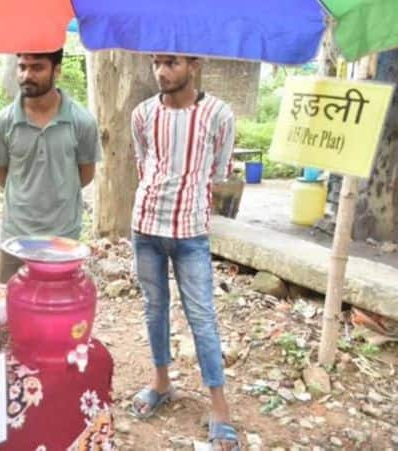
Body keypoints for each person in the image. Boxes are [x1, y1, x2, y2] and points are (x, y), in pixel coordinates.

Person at [128, 54, 238, 451]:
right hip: (144, 227)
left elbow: (218, 172)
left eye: (171, 63)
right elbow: (145, 164)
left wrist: (185, 195)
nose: (161, 71)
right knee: (154, 308)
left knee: (202, 317)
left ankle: (220, 408)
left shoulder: (219, 115)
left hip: (191, 232)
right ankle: (161, 381)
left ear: (194, 64)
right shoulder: (142, 114)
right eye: (156, 63)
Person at [0, 49, 100, 283]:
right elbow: (1, 175)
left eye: (37, 68)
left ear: (56, 70)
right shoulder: (3, 122)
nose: (27, 75)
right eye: (22, 67)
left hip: (63, 237)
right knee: (11, 307)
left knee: (59, 308)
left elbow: (84, 176)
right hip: (15, 236)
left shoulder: (82, 122)